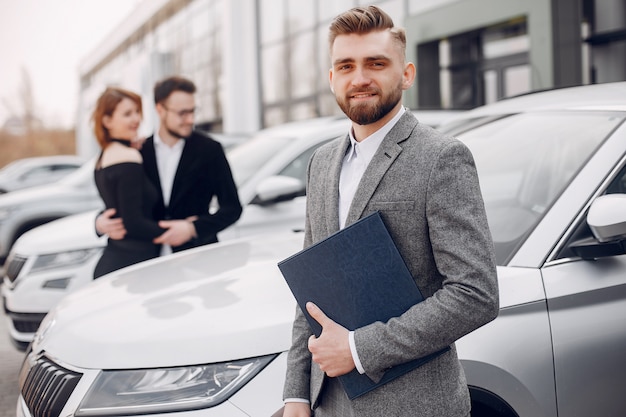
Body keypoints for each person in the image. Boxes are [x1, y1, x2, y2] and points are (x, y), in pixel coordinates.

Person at [282, 6, 499, 417]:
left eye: (376, 64)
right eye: (345, 66)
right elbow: (309, 290)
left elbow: (476, 294)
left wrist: (359, 349)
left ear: (406, 73)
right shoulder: (321, 162)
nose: (359, 78)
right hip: (328, 404)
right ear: (332, 78)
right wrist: (296, 394)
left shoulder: (442, 157)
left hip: (412, 405)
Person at [96, 76, 242, 256]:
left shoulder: (210, 150)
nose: (190, 119)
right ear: (160, 109)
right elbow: (126, 202)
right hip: (147, 260)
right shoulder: (139, 152)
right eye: (182, 113)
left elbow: (233, 209)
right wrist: (99, 222)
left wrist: (192, 228)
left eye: (193, 111)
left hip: (197, 257)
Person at [92, 87, 167, 278]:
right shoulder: (128, 156)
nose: (136, 119)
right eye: (127, 114)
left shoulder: (104, 157)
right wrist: (179, 229)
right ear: (107, 121)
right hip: (132, 266)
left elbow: (117, 209)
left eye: (137, 112)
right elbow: (133, 224)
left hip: (117, 262)